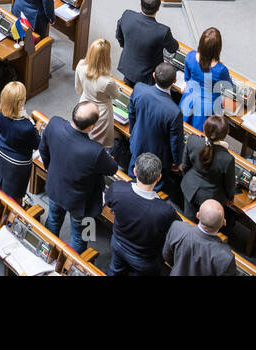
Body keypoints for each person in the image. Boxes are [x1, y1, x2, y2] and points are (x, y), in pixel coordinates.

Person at [39, 102, 118, 253]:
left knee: (53, 221)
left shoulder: (54, 123)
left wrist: (52, 169)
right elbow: (112, 168)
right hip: (82, 203)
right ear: (91, 127)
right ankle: (73, 265)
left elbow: (43, 149)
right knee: (80, 237)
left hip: (55, 188)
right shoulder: (95, 151)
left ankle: (46, 253)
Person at [103, 152, 179, 276]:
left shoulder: (118, 188)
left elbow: (109, 202)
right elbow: (175, 228)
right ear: (158, 178)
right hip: (144, 258)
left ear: (135, 172)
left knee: (115, 271)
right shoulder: (165, 211)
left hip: (118, 243)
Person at [128, 61, 184, 195]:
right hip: (159, 156)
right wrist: (178, 162)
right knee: (153, 189)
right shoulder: (174, 111)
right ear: (174, 81)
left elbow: (132, 114)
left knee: (133, 178)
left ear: (154, 75)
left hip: (137, 144)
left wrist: (133, 134)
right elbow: (175, 141)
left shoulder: (139, 88)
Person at [181, 115, 236, 221]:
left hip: (189, 187)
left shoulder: (192, 140)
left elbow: (185, 166)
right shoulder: (227, 158)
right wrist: (230, 198)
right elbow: (229, 185)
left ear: (204, 128)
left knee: (189, 218)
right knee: (206, 224)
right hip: (211, 197)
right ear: (224, 135)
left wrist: (188, 178)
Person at [163, 200, 237, 275]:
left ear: (198, 215)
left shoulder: (177, 228)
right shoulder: (226, 257)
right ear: (223, 223)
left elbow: (167, 255)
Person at [182, 27, 235, 130]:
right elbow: (229, 86)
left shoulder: (190, 56)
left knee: (184, 129)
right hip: (207, 107)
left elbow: (187, 78)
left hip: (189, 99)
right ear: (217, 49)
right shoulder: (221, 70)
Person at [74, 38, 122, 147]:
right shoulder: (108, 82)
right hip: (101, 114)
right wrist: (117, 87)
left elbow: (78, 90)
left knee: (82, 138)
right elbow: (117, 96)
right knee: (97, 145)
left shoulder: (81, 65)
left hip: (84, 105)